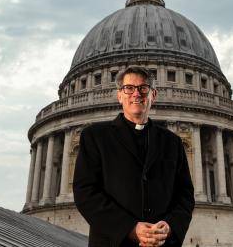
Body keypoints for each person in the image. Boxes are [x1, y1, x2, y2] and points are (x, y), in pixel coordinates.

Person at [73, 66, 195, 247]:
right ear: (119, 95)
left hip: (161, 243)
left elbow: (185, 195)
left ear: (153, 95)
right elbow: (85, 192)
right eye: (129, 88)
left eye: (143, 88)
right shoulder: (95, 137)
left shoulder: (173, 143)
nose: (136, 94)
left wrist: (170, 226)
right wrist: (129, 228)